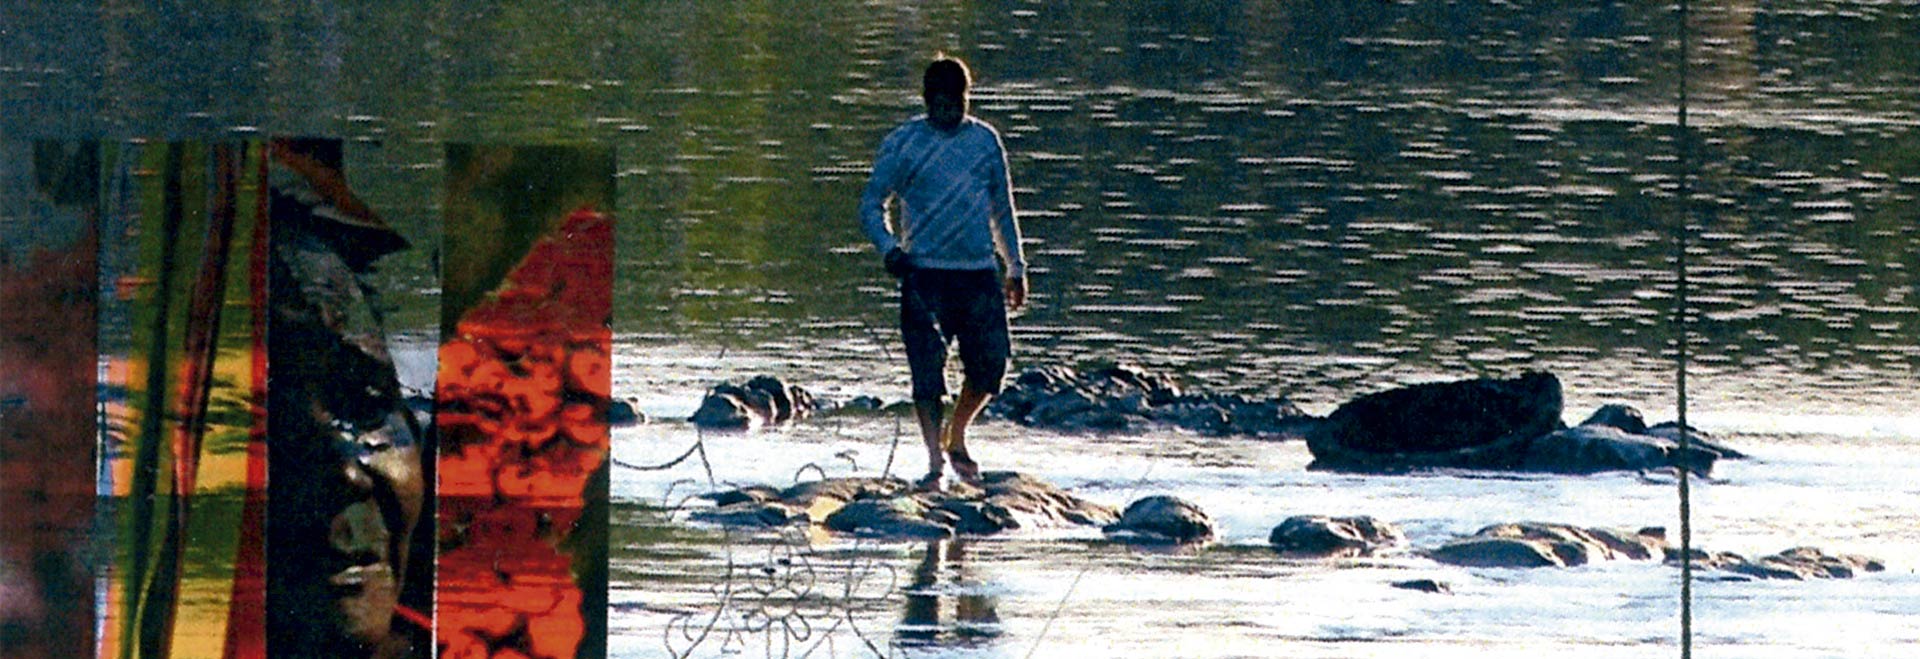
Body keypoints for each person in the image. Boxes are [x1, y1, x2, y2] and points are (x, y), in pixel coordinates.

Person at [859, 56, 1028, 491]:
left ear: (967, 99)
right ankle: (935, 462)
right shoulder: (904, 143)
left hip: (978, 273)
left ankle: (958, 433)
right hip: (924, 275)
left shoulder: (985, 141)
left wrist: (1016, 267)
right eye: (942, 103)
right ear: (927, 101)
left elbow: (1002, 209)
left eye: (958, 102)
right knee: (927, 375)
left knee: (991, 366)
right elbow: (871, 204)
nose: (951, 111)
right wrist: (889, 248)